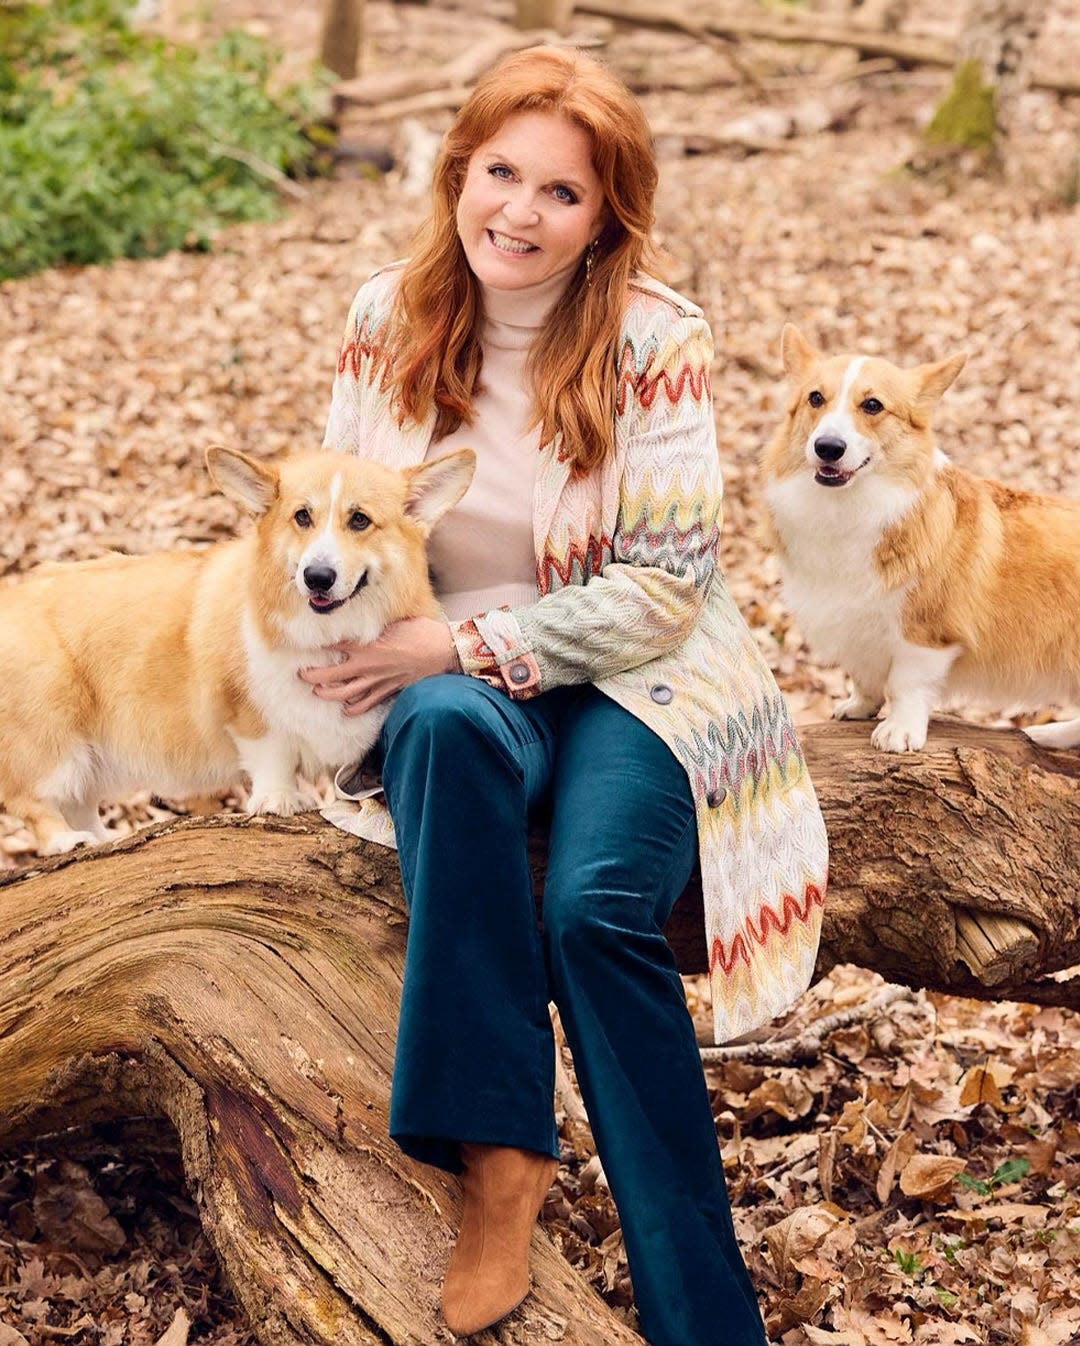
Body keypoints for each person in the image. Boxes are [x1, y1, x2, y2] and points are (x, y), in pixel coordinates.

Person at [303, 44, 828, 1346]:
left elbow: (659, 592)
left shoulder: (655, 339)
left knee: (596, 910)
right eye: (502, 176)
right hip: (455, 685)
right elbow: (331, 520)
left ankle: (708, 1320)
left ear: (607, 217)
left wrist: (460, 645)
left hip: (636, 680)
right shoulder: (387, 315)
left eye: (561, 194)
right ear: (458, 172)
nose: (520, 215)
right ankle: (499, 1153)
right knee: (435, 728)